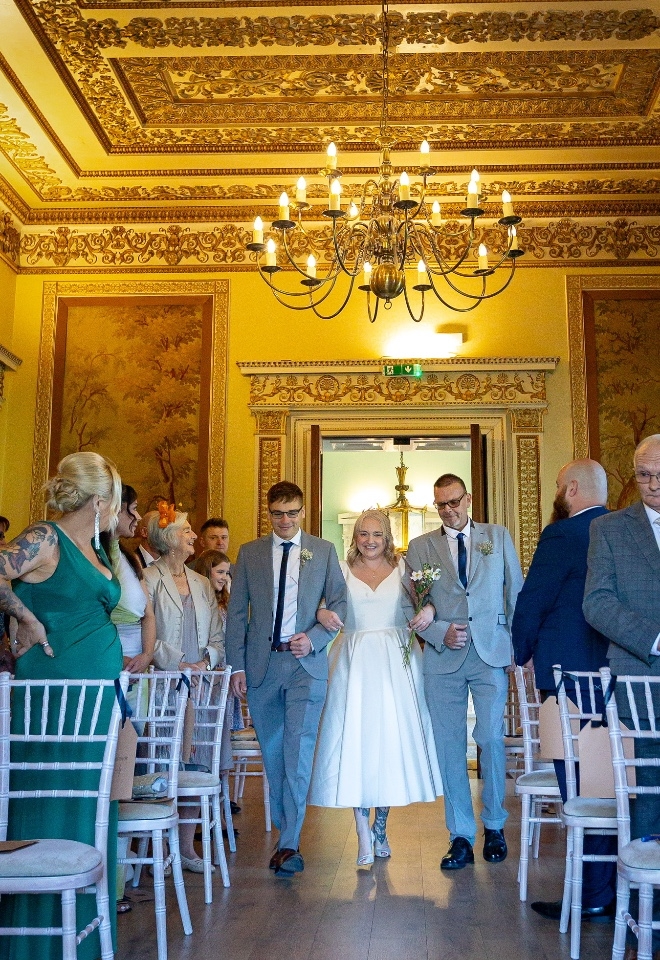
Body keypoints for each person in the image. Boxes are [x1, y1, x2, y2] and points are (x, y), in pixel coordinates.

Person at [0, 451, 123, 960]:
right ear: (98, 501)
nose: (118, 510)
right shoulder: (46, 537)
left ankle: (87, 940)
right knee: (49, 792)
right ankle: (37, 943)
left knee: (93, 804)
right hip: (55, 694)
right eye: (115, 499)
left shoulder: (96, 548)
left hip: (98, 697)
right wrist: (24, 618)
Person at [512, 458, 616, 922]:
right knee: (617, 787)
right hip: (620, 676)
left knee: (578, 789)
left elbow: (533, 599)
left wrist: (522, 653)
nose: (557, 492)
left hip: (570, 679)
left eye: (558, 486)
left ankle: (589, 893)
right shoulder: (625, 533)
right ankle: (613, 888)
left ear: (572, 489)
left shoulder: (563, 534)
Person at [225, 480, 347, 877]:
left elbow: (341, 604)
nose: (285, 520)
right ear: (269, 513)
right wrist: (238, 666)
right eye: (278, 513)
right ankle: (284, 831)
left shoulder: (324, 551)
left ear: (303, 512)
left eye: (292, 512)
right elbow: (236, 616)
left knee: (297, 752)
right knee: (274, 754)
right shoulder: (250, 553)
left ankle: (290, 841)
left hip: (305, 668)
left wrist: (313, 639)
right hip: (261, 667)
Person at [403, 473, 523, 870]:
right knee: (449, 747)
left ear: (468, 499)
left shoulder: (497, 535)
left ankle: (495, 825)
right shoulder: (420, 548)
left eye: (454, 502)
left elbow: (514, 592)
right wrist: (439, 631)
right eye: (441, 505)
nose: (449, 510)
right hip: (443, 658)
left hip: (490, 652)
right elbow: (409, 605)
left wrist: (519, 647)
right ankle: (460, 835)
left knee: (490, 737)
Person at [309, 510, 442, 865]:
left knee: (387, 747)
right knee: (355, 745)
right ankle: (362, 834)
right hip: (352, 662)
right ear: (355, 537)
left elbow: (426, 601)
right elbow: (320, 605)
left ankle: (380, 825)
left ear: (387, 538)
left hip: (396, 664)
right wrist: (322, 614)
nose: (370, 541)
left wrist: (428, 610)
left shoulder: (404, 569)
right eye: (363, 534)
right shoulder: (338, 568)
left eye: (377, 535)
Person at [583, 434, 660, 960]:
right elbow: (597, 602)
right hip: (641, 672)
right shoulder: (608, 529)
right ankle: (651, 917)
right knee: (652, 780)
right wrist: (654, 640)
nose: (652, 484)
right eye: (644, 475)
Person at [144, 510, 226, 872]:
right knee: (164, 762)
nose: (195, 536)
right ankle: (160, 851)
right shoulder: (147, 579)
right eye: (188, 531)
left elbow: (217, 636)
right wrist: (178, 663)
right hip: (164, 683)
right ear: (169, 538)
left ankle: (187, 850)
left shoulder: (203, 582)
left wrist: (205, 662)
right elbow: (145, 635)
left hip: (202, 685)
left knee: (197, 762)